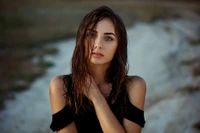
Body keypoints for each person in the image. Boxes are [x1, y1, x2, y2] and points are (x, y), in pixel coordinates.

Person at [49, 5, 146, 133]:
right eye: (91, 35)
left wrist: (96, 97)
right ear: (81, 39)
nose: (98, 45)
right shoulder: (61, 86)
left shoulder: (134, 87)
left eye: (108, 38)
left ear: (118, 46)